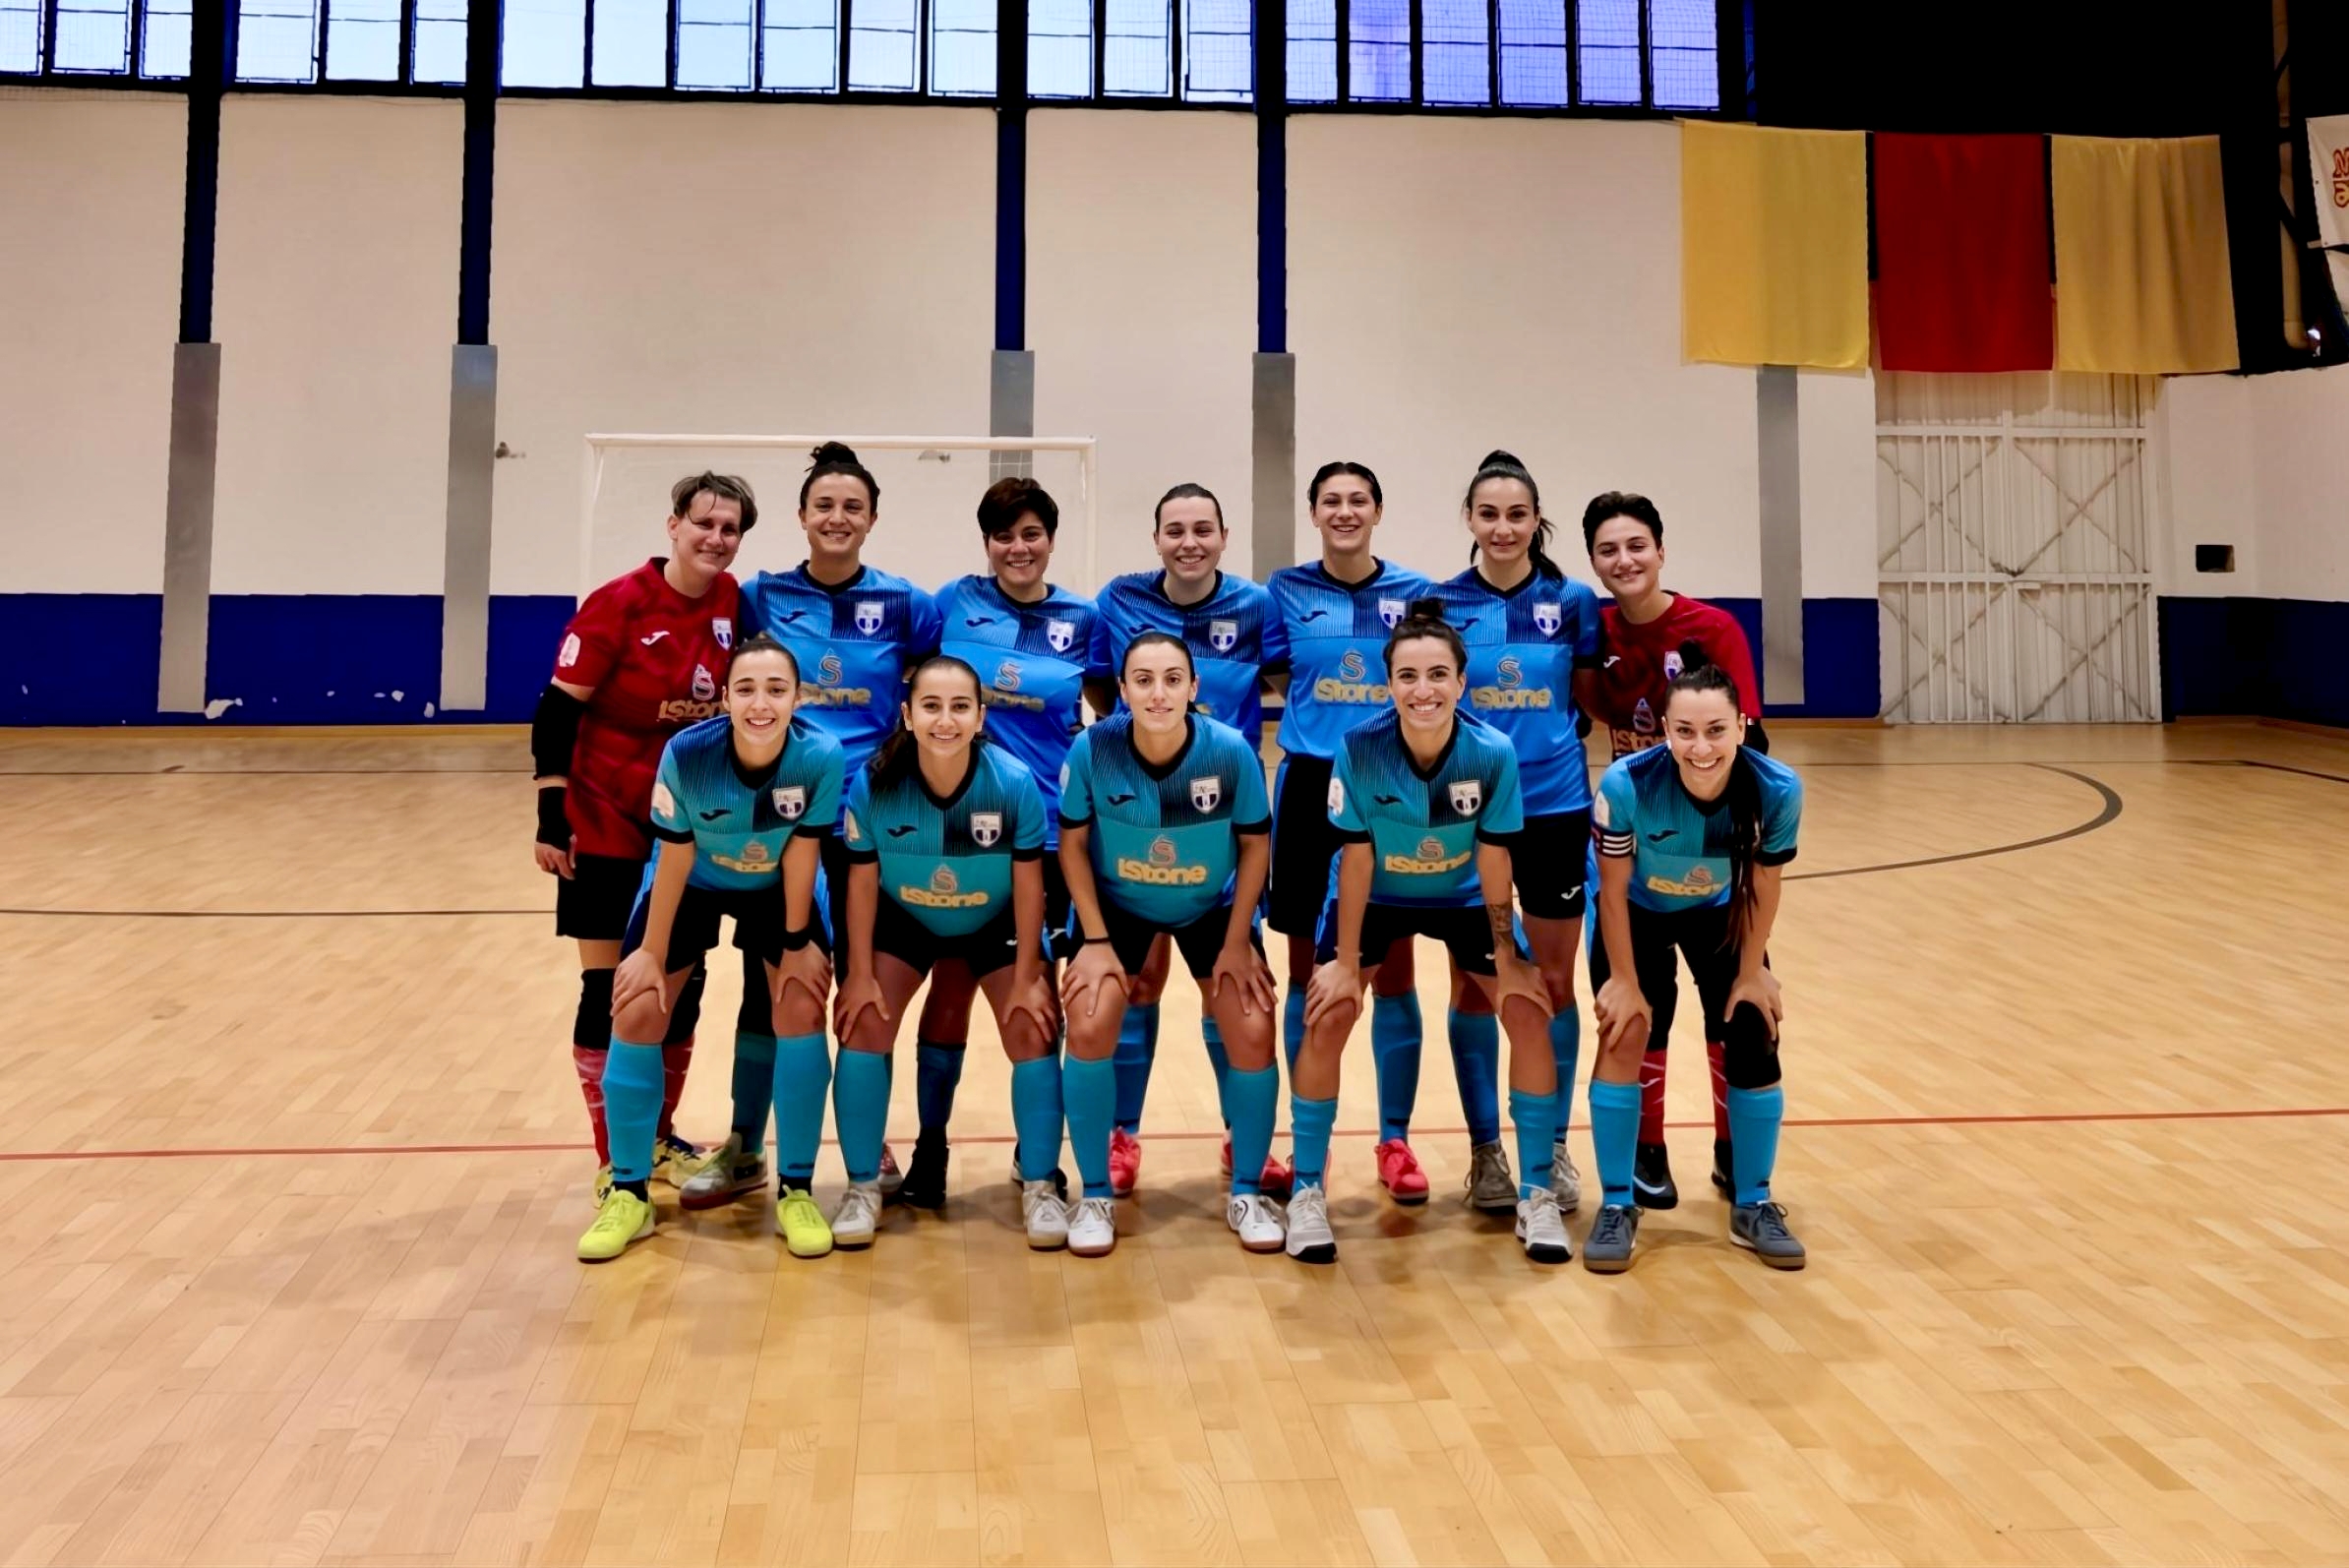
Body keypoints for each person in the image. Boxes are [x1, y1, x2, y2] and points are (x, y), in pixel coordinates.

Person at [697, 443, 940, 1207]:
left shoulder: (907, 603)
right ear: (802, 516)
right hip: (778, 822)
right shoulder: (762, 597)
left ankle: (870, 1142)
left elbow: (933, 691)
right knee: (767, 987)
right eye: (824, 506)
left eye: (852, 507)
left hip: (868, 826)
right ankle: (746, 1143)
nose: (838, 518)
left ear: (873, 519)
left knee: (867, 987)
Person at [1292, 609, 1568, 1266]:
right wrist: (1347, 963)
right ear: (1388, 684)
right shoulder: (1359, 749)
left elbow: (1495, 858)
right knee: (1329, 1013)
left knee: (1528, 1011)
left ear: (1462, 683)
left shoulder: (1491, 753)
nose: (1424, 690)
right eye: (1408, 676)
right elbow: (1355, 859)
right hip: (1377, 896)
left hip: (1463, 895)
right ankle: (1306, 1191)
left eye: (1439, 675)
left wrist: (1507, 956)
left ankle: (1537, 1193)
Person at [576, 635, 844, 1262]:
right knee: (638, 1009)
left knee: (800, 1007)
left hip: (778, 884)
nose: (760, 703)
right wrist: (649, 952)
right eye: (745, 690)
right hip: (693, 880)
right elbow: (675, 853)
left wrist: (797, 943)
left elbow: (803, 852)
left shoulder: (819, 754)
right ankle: (629, 1193)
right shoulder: (688, 752)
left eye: (776, 690)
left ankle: (796, 1189)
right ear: (724, 698)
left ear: (799, 698)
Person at [532, 472, 752, 1206]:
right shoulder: (619, 602)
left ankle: (656, 1139)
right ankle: (612, 1157)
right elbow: (557, 709)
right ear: (673, 525)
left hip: (687, 831)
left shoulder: (732, 601)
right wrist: (551, 813)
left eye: (729, 529)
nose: (715, 538)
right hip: (605, 821)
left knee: (680, 991)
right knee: (609, 988)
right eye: (704, 523)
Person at [1084, 481, 1291, 1198]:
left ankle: (1242, 1136)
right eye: (1175, 530)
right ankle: (1121, 1134)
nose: (1189, 542)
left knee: (1224, 986)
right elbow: (1101, 688)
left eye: (1203, 529)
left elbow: (1289, 678)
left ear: (1225, 537)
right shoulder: (1119, 599)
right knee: (1138, 982)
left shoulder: (1256, 606)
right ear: (1156, 539)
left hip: (1219, 821)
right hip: (1134, 815)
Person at [894, 479, 1097, 1208]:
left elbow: (1111, 714)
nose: (1019, 547)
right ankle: (930, 1148)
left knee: (1037, 993)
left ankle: (1034, 1152)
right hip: (951, 823)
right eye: (1004, 535)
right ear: (986, 542)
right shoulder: (950, 604)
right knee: (950, 983)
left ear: (1051, 540)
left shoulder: (1083, 618)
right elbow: (911, 684)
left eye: (1032, 533)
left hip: (1045, 833)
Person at [1058, 634, 1283, 1259]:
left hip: (1211, 907)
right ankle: (1095, 1195)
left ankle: (1246, 1191)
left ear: (1193, 687)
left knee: (1253, 1026)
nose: (1158, 693)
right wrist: (1094, 939)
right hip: (1119, 906)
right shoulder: (1093, 749)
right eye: (1143, 680)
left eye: (1172, 679)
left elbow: (1255, 847)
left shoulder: (1231, 752)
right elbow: (1072, 845)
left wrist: (1237, 942)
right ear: (1121, 690)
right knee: (1090, 1019)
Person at [832, 657, 1068, 1249]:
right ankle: (862, 1186)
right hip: (906, 917)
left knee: (1033, 1025)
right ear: (907, 715)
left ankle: (1040, 1183)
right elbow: (861, 884)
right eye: (931, 707)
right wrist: (858, 974)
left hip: (992, 920)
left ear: (981, 717)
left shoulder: (1012, 783)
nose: (945, 720)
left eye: (960, 707)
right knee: (863, 1022)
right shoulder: (875, 783)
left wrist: (1027, 976)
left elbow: (1029, 886)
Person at [1583, 662, 1804, 1273]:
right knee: (1626, 1029)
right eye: (1684, 732)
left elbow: (1765, 883)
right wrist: (1623, 980)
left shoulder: (1776, 788)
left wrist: (1752, 972)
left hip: (1720, 912)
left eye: (1715, 731)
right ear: (1665, 731)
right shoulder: (1628, 784)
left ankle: (1753, 1202)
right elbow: (1611, 889)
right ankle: (1618, 1203)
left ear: (1741, 727)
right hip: (1637, 911)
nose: (1700, 747)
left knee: (1753, 1026)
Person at [1579, 490, 1766, 1208]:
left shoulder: (1710, 629)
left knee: (1739, 1010)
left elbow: (1751, 740)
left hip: (1710, 857)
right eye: (1608, 550)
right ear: (1593, 561)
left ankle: (1733, 1150)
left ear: (1661, 550)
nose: (1624, 560)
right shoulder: (1595, 632)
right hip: (1634, 854)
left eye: (1637, 546)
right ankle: (1647, 1152)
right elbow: (1588, 707)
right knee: (1636, 1009)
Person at [1431, 452, 1605, 1215]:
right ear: (1469, 520)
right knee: (1474, 984)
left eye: (1517, 514)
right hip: (1468, 814)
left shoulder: (1572, 602)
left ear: (1537, 521)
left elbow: (1588, 701)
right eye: (1489, 514)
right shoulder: (1439, 604)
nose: (1503, 528)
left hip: (1555, 810)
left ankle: (1551, 1146)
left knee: (1554, 984)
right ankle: (1486, 1152)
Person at [1265, 461, 1442, 1207]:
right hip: (1310, 785)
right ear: (1313, 513)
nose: (1345, 511)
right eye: (1331, 500)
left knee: (1391, 970)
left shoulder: (1415, 592)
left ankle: (1394, 1139)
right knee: (1308, 972)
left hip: (1390, 782)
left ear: (1377, 510)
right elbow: (1276, 673)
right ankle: (1305, 1138)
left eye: (1358, 500)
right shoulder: (1284, 590)